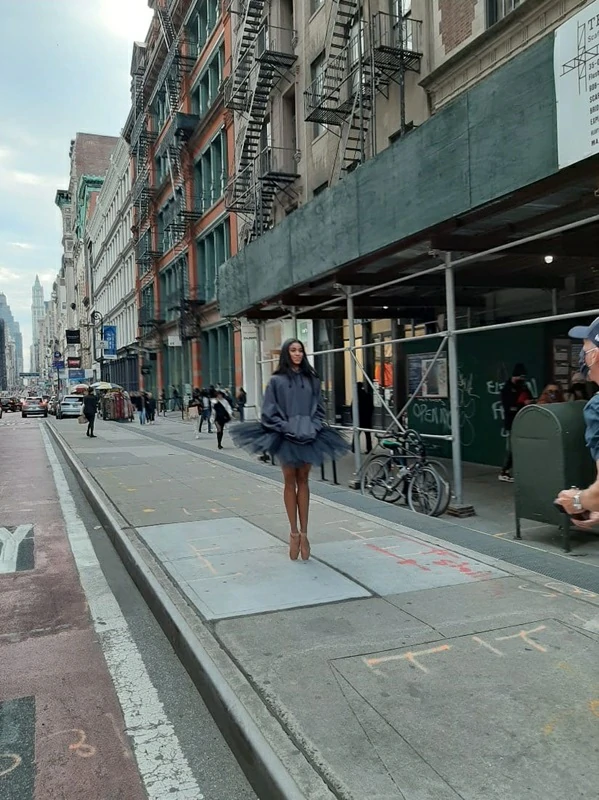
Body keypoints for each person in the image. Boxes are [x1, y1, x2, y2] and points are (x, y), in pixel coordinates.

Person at [230, 338, 350, 561]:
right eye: (293, 350)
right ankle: (293, 532)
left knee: (303, 480)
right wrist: (287, 427)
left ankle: (304, 534)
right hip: (285, 436)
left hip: (310, 435)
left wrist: (312, 426)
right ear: (287, 353)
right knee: (289, 480)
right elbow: (268, 413)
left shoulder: (312, 379)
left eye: (300, 350)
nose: (297, 354)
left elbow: (320, 410)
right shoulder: (276, 380)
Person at [556, 318, 599, 527]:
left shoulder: (597, 408)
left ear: (595, 356)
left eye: (584, 348)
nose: (581, 356)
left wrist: (576, 500)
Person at [499, 363, 534, 482]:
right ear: (515, 376)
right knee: (511, 448)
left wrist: (530, 401)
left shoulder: (523, 387)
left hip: (525, 421)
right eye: (521, 377)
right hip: (512, 422)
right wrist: (521, 404)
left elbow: (530, 397)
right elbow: (508, 407)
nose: (522, 380)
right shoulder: (507, 389)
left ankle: (519, 470)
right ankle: (505, 471)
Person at [356, 381, 374, 453]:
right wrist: (369, 415)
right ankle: (369, 448)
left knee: (356, 433)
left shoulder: (357, 396)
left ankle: (354, 447)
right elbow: (371, 407)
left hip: (359, 418)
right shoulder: (367, 395)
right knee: (367, 435)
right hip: (366, 418)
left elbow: (353, 407)